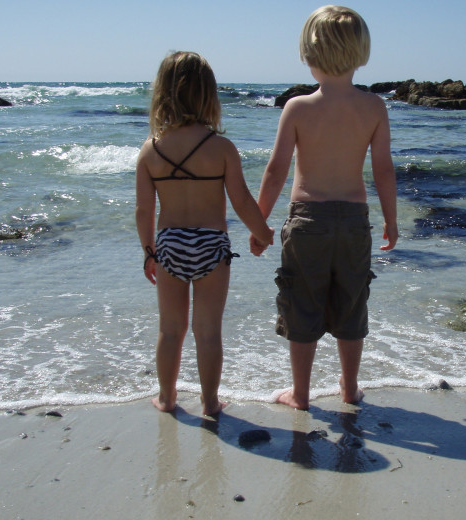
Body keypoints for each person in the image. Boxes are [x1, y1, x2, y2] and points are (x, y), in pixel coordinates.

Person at [250, 5, 398, 410]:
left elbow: (276, 170)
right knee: (351, 302)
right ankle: (349, 390)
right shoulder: (374, 107)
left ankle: (301, 394)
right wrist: (392, 220)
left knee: (303, 304)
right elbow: (383, 170)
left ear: (310, 56)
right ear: (360, 53)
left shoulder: (298, 107)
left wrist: (258, 223)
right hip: (353, 221)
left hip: (308, 220)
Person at [136, 51, 274, 415]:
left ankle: (166, 399)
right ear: (208, 96)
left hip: (169, 244)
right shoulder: (221, 148)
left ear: (162, 93)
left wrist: (149, 252)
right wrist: (263, 232)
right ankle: (210, 402)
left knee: (170, 330)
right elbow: (242, 200)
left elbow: (143, 210)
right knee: (208, 330)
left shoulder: (151, 150)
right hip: (211, 245)